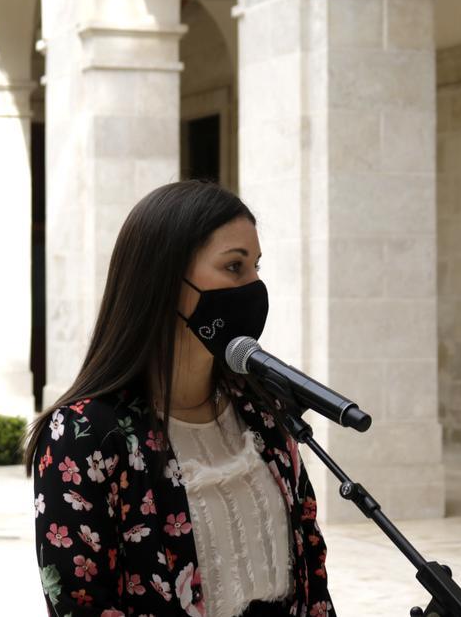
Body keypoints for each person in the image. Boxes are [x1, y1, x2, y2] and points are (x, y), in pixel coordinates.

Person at [25, 180, 336, 617]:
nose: (253, 287)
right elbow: (82, 605)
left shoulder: (262, 413)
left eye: (256, 268)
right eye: (234, 267)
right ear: (166, 281)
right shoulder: (84, 436)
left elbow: (313, 579)